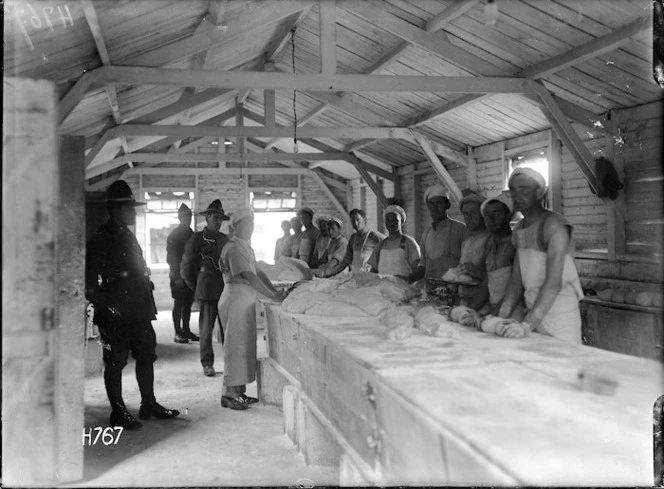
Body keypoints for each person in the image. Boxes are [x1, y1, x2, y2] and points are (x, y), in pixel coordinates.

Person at [85, 180, 179, 430]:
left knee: (147, 355)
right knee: (115, 361)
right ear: (115, 211)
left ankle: (149, 404)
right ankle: (118, 410)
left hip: (138, 309)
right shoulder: (100, 239)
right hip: (115, 313)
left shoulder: (127, 234)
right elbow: (89, 284)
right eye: (129, 208)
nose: (134, 212)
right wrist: (107, 307)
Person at [498, 167, 584, 342]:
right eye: (513, 190)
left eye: (524, 189)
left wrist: (526, 325)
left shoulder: (555, 226)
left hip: (560, 318)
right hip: (534, 315)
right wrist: (501, 316)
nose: (516, 195)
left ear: (540, 192)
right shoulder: (520, 228)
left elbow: (554, 283)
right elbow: (516, 282)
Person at [218, 208, 287, 410]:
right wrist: (272, 295)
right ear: (236, 225)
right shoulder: (233, 248)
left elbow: (259, 272)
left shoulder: (246, 247)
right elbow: (249, 276)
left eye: (252, 224)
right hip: (235, 298)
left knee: (245, 347)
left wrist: (275, 290)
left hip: (244, 300)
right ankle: (229, 395)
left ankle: (239, 392)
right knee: (235, 347)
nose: (250, 228)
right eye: (246, 224)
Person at [181, 199, 230, 377]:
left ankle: (231, 362)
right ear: (207, 218)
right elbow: (185, 268)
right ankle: (207, 363)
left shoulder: (225, 240)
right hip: (206, 289)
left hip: (225, 289)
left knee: (227, 328)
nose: (218, 222)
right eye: (215, 218)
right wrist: (196, 288)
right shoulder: (196, 239)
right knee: (206, 330)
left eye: (220, 219)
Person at [406, 185, 469, 282]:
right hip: (431, 291)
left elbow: (469, 264)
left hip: (455, 290)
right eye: (432, 203)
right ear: (428, 206)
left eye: (439, 203)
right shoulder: (426, 235)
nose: (435, 207)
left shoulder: (460, 229)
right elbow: (423, 266)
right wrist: (408, 279)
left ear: (448, 204)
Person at [477, 194, 523, 319]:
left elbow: (517, 287)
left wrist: (492, 315)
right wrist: (471, 308)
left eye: (497, 214)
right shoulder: (489, 245)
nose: (491, 220)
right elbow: (486, 283)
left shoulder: (515, 244)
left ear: (508, 216)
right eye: (487, 215)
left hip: (513, 310)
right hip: (493, 306)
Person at [315, 209, 384, 277]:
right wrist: (331, 274)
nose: (355, 223)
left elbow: (387, 246)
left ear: (364, 220)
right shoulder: (353, 238)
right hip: (355, 275)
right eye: (353, 221)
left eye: (358, 220)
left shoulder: (374, 236)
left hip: (370, 276)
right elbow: (346, 261)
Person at [166, 204, 197, 344]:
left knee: (188, 303)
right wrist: (176, 276)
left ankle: (186, 330)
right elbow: (171, 258)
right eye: (185, 217)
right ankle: (178, 333)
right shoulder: (174, 235)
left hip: (190, 276)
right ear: (179, 218)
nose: (188, 219)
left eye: (189, 216)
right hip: (178, 276)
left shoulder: (192, 234)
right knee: (179, 303)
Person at [457, 192, 491, 310]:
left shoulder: (490, 239)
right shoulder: (466, 243)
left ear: (483, 214)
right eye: (466, 214)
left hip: (484, 305)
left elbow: (495, 277)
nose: (469, 217)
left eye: (473, 212)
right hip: (465, 302)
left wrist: (477, 272)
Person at [367, 205, 420, 279]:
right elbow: (373, 271)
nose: (391, 223)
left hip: (403, 288)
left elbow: (417, 270)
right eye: (388, 220)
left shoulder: (409, 243)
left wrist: (407, 280)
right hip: (382, 289)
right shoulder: (380, 246)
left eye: (394, 220)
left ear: (401, 222)